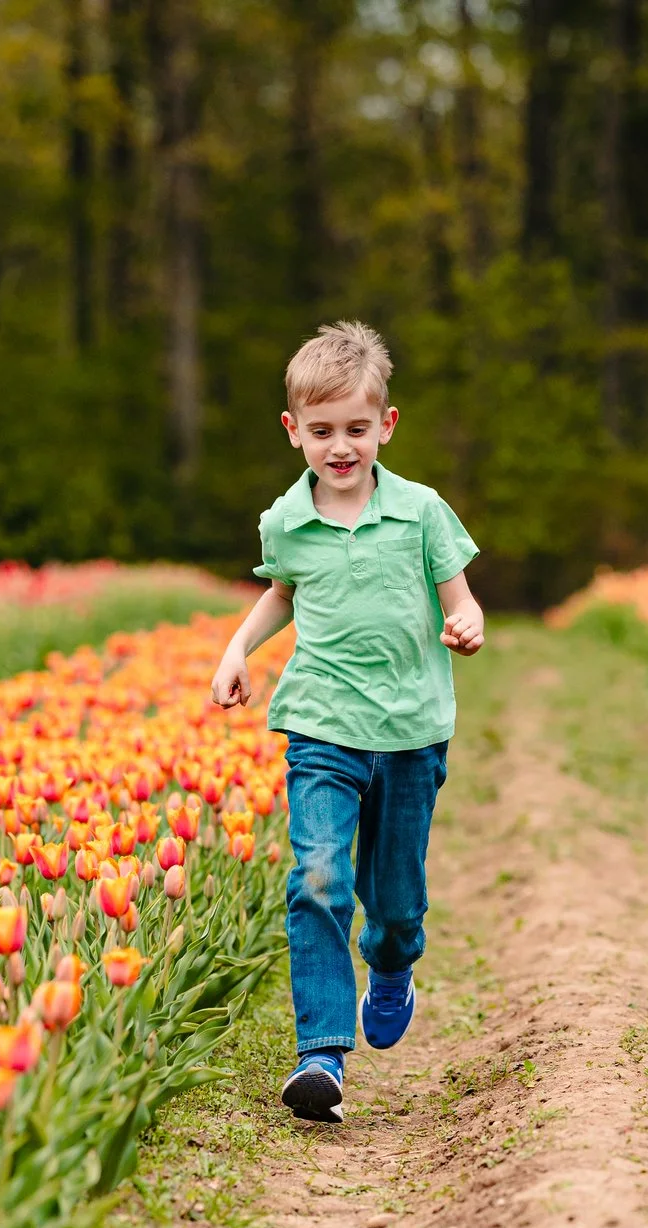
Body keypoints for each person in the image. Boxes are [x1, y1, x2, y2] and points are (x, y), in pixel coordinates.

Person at [210, 321, 486, 1121]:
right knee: (320, 878)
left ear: (385, 426)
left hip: (410, 732)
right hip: (321, 724)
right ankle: (321, 1055)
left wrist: (466, 622)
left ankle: (392, 966)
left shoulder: (423, 512)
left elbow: (461, 596)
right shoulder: (284, 521)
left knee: (394, 904)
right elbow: (281, 593)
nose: (341, 446)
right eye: (323, 430)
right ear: (293, 430)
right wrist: (237, 650)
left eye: (356, 429)